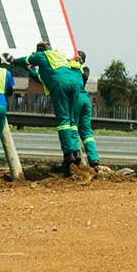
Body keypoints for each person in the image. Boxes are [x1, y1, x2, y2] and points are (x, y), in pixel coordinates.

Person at [10, 42, 84, 174]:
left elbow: (25, 60)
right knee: (73, 122)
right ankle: (75, 152)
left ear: (40, 49)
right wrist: (29, 70)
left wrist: (14, 61)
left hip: (60, 85)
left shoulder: (42, 56)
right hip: (75, 85)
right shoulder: (59, 55)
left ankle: (68, 154)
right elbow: (40, 77)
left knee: (63, 121)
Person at [71, 50, 101, 169]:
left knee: (73, 125)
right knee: (87, 132)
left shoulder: (77, 68)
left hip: (77, 97)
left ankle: (75, 153)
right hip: (85, 98)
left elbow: (83, 77)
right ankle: (93, 159)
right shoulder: (85, 69)